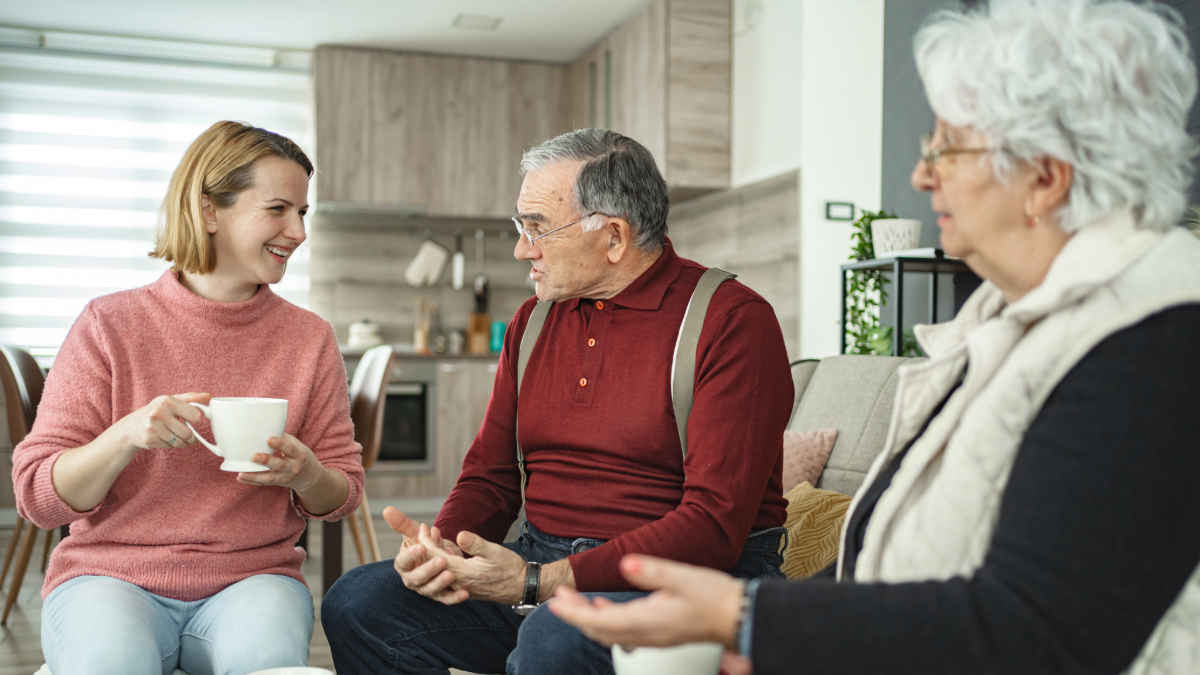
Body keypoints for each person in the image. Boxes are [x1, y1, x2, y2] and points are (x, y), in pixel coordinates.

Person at [550, 1, 1200, 674]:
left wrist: (747, 618)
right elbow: (896, 559)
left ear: (1044, 176)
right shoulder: (1018, 318)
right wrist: (766, 631)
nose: (922, 176)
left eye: (947, 146)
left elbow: (1036, 629)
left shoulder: (1152, 343)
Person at [321, 129, 794, 675]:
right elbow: (491, 475)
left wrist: (542, 582)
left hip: (680, 583)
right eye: (521, 227)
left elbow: (714, 526)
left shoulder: (730, 321)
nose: (523, 248)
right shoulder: (533, 321)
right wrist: (446, 547)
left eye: (537, 228)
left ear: (613, 236)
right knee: (359, 604)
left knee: (553, 636)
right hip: (541, 566)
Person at [12, 121, 365, 675]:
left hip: (254, 578)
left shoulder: (309, 338)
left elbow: (342, 493)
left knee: (270, 665)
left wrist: (307, 475)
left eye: (302, 213)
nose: (297, 232)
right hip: (110, 578)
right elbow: (38, 496)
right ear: (208, 212)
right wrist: (126, 434)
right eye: (277, 209)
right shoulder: (109, 324)